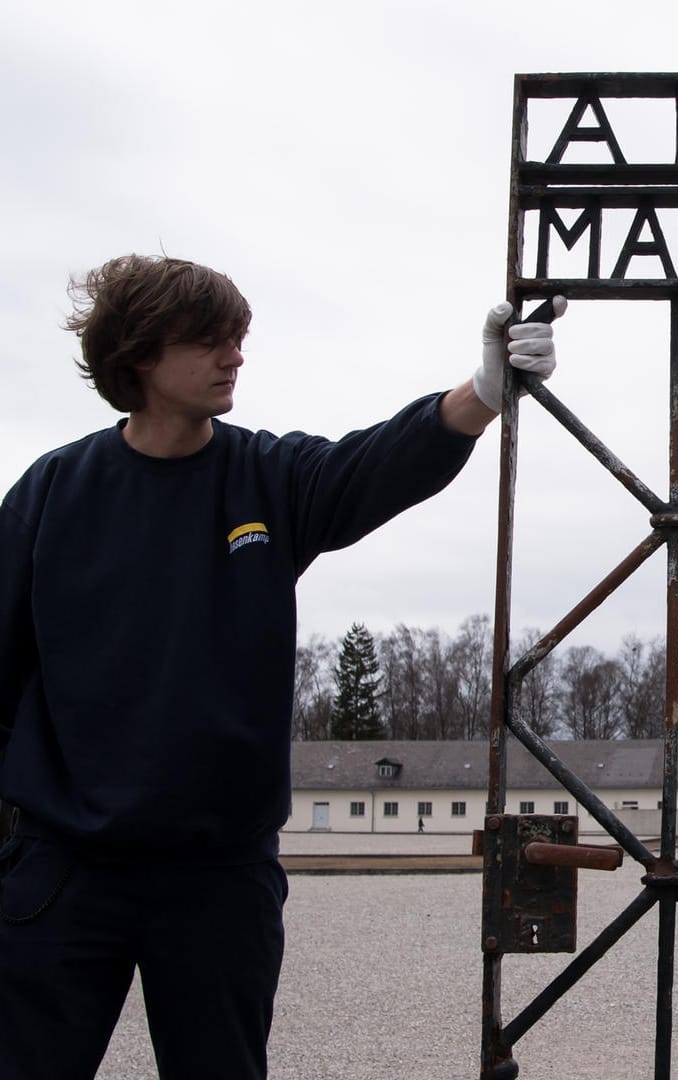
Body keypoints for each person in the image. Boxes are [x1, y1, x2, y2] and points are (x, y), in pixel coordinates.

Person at [0, 254, 563, 1080]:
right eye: (210, 340)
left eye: (238, 338)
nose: (235, 355)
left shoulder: (268, 477)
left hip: (219, 877)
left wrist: (479, 396)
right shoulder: (53, 493)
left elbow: (374, 465)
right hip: (63, 872)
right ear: (141, 355)